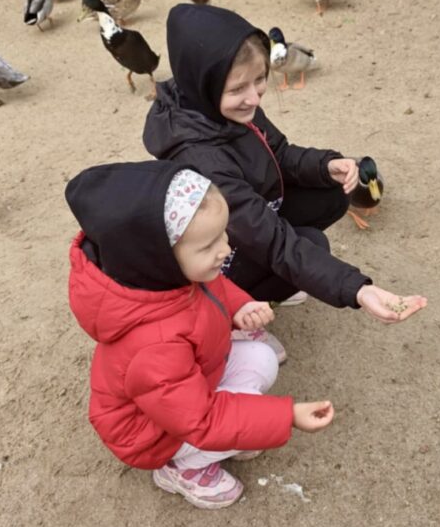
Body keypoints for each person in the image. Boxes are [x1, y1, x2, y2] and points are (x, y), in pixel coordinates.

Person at [65, 159, 334, 509]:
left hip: (184, 394)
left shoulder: (169, 279)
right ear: (157, 257)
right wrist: (287, 417)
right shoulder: (153, 347)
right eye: (208, 246)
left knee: (261, 358)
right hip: (151, 434)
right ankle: (179, 469)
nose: (225, 248)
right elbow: (201, 420)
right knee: (231, 422)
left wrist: (239, 307)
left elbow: (215, 288)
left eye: (222, 234)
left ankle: (224, 439)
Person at [143, 4, 427, 325]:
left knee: (332, 190)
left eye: (260, 79)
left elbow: (279, 151)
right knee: (312, 244)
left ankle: (279, 276)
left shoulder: (222, 106)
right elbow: (270, 239)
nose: (254, 97)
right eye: (238, 89)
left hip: (249, 219)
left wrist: (325, 165)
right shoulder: (202, 159)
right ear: (204, 84)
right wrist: (357, 289)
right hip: (222, 257)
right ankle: (237, 310)